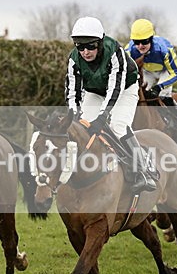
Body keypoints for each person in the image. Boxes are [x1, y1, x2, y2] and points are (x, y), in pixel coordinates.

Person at [66, 16, 156, 192]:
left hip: (125, 88)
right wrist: (73, 116)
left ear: (100, 42)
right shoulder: (73, 59)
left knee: (118, 126)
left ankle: (144, 170)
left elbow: (115, 88)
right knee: (82, 126)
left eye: (90, 46)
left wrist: (103, 116)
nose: (85, 51)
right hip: (95, 91)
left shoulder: (115, 51)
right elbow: (72, 92)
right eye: (80, 46)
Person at [126, 18, 177, 142]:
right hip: (147, 71)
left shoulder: (163, 49)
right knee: (142, 94)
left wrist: (159, 87)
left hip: (165, 71)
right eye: (137, 42)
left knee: (164, 95)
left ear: (151, 39)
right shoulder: (129, 50)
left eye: (144, 42)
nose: (140, 46)